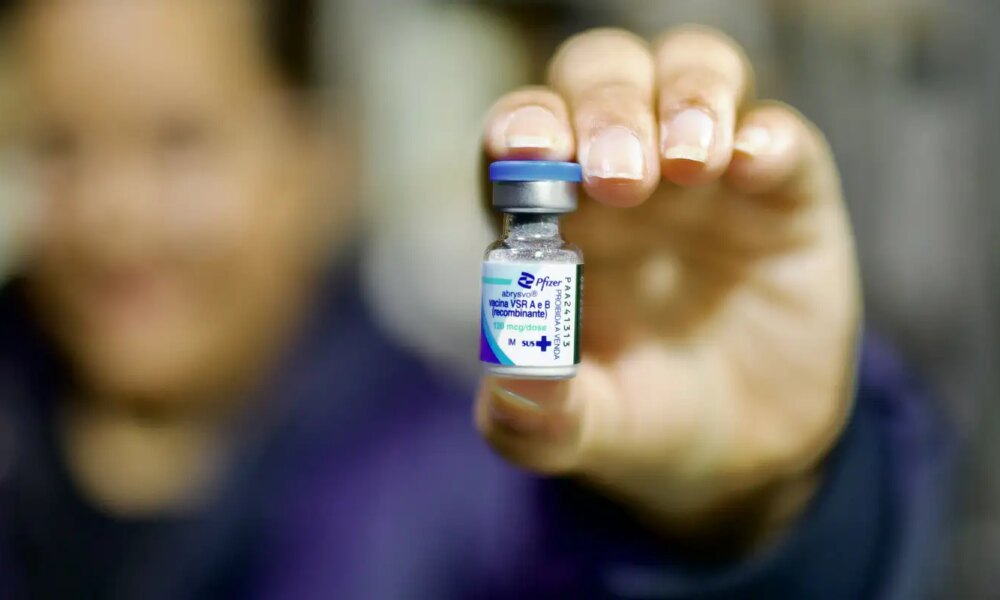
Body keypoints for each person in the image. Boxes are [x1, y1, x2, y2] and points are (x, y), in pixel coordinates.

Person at [0, 1, 951, 598]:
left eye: (179, 142)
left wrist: (735, 512)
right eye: (58, 146)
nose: (112, 215)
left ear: (317, 157)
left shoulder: (459, 472)